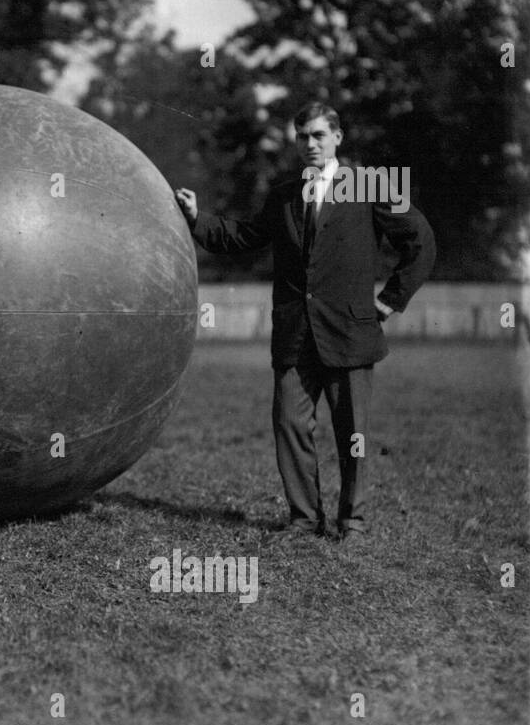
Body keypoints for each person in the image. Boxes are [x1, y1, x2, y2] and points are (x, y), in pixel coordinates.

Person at [174, 102, 435, 545]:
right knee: (289, 423)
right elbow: (243, 237)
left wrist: (391, 301)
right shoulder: (283, 195)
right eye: (301, 137)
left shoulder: (369, 185)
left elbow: (421, 241)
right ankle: (302, 520)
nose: (309, 144)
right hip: (296, 334)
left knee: (353, 432)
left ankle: (352, 522)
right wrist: (198, 219)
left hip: (350, 332)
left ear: (337, 137)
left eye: (317, 135)